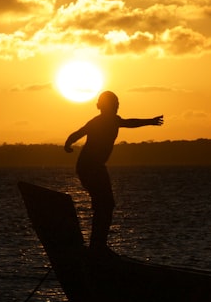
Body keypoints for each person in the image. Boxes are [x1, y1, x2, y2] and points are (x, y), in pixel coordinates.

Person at [64, 91, 163, 252]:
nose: (117, 107)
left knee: (105, 204)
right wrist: (68, 143)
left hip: (95, 167)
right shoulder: (99, 121)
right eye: (114, 104)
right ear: (103, 106)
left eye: (117, 104)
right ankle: (98, 245)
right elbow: (78, 133)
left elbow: (130, 122)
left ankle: (98, 244)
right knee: (105, 204)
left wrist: (150, 121)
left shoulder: (112, 121)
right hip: (89, 167)